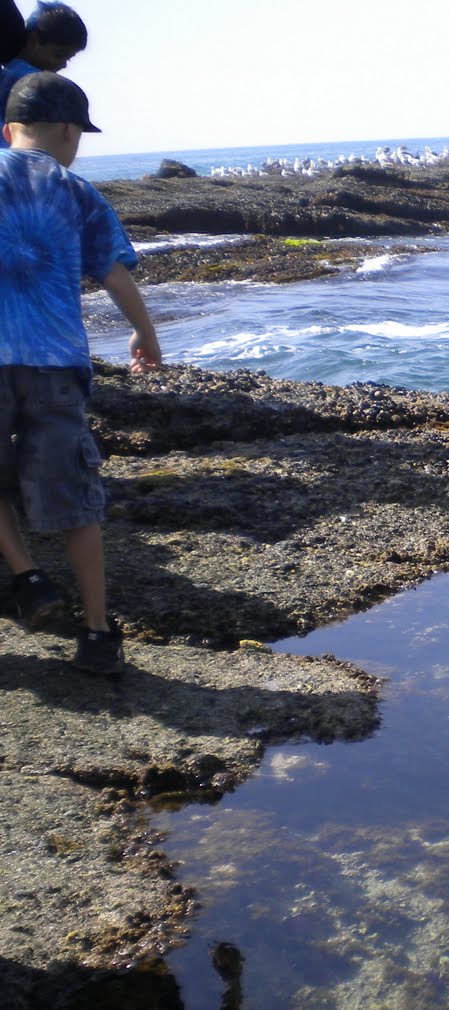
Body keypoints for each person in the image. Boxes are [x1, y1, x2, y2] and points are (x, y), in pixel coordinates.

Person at [1, 71, 160, 675]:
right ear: (68, 130)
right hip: (56, 366)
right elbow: (115, 273)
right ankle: (96, 634)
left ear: (6, 128)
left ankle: (29, 577)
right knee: (76, 501)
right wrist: (146, 334)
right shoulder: (77, 192)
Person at [0, 2, 87, 116]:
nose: (63, 65)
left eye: (68, 59)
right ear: (34, 41)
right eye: (59, 55)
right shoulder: (36, 86)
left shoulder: (7, 74)